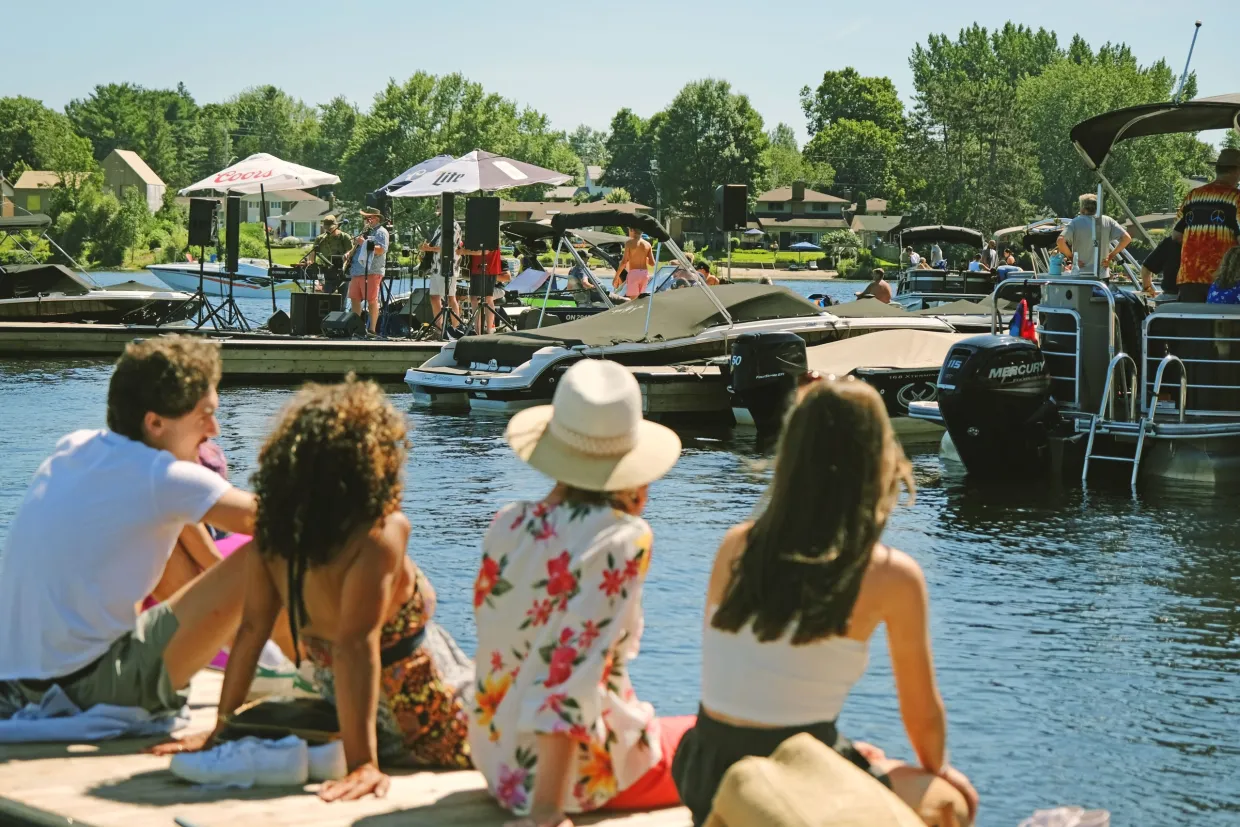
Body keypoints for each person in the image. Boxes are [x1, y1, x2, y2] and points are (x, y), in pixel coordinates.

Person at [671, 377, 977, 827]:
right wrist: (939, 773)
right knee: (951, 803)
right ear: (877, 460)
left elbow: (745, 682)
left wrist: (838, 748)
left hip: (706, 774)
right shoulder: (892, 575)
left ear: (792, 454)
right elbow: (922, 716)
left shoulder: (735, 545)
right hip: (793, 784)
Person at [161, 379, 473, 800]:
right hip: (430, 718)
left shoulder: (276, 538)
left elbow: (250, 634)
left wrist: (223, 726)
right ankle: (352, 755)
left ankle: (308, 749)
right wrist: (365, 764)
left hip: (342, 717)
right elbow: (355, 644)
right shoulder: (380, 534)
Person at [470, 359, 692, 825]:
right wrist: (548, 810)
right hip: (576, 777)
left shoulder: (507, 522)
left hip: (499, 760)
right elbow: (570, 675)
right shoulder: (621, 540)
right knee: (731, 746)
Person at [0, 337, 261, 716]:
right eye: (204, 415)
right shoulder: (165, 477)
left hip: (17, 684)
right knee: (270, 547)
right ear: (155, 422)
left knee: (162, 531)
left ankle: (265, 662)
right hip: (87, 688)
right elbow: (282, 519)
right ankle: (303, 666)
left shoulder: (75, 447)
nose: (215, 429)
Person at [1172, 147, 1240, 303]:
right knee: (1221, 326)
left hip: (1189, 277)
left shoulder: (1193, 196)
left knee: (1192, 326)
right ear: (1236, 171)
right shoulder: (1236, 198)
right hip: (1223, 280)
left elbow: (1176, 235)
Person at [1056, 193, 1131, 278]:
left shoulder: (1075, 222)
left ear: (1082, 208)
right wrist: (1110, 257)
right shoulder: (1108, 221)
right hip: (1102, 275)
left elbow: (1060, 241)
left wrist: (1073, 259)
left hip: (1081, 274)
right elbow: (1127, 238)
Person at [420, 204, 464, 333]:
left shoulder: (454, 226)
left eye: (439, 207)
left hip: (448, 266)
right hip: (436, 267)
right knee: (434, 296)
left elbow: (448, 248)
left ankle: (457, 328)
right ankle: (439, 329)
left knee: (451, 297)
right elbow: (437, 245)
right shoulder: (440, 227)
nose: (437, 209)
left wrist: (429, 249)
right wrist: (427, 250)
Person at [350, 208, 388, 335]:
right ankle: (355, 327)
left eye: (368, 218)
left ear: (376, 218)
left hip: (372, 271)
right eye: (365, 218)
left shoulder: (381, 232)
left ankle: (372, 329)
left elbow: (381, 250)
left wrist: (364, 243)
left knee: (372, 300)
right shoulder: (365, 232)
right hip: (357, 271)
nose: (365, 220)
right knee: (354, 298)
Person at [301, 215, 353, 295]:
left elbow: (351, 250)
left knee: (342, 296)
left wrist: (346, 255)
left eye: (330, 228)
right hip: (326, 271)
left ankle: (342, 308)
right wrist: (311, 261)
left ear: (336, 226)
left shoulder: (344, 237)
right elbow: (313, 252)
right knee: (327, 296)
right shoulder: (320, 239)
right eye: (327, 228)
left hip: (342, 270)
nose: (328, 230)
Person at [466, 246, 504, 335]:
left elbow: (486, 251)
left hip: (489, 266)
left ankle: (489, 330)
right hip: (476, 267)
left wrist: (463, 251)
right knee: (474, 298)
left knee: (488, 298)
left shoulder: (491, 233)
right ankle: (477, 331)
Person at [615, 228, 655, 298]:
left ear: (632, 230)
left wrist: (616, 277)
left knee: (633, 300)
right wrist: (644, 257)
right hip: (644, 274)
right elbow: (652, 263)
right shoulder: (648, 244)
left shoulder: (629, 243)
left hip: (634, 274)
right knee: (642, 299)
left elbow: (624, 262)